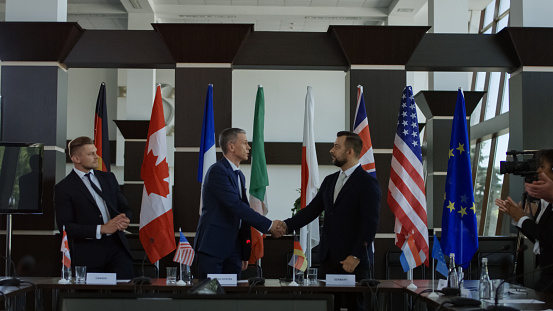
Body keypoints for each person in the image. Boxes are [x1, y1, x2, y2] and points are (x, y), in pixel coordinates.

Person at [280, 131, 381, 311]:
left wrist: (356, 255)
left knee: (353, 308)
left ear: (350, 152)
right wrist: (286, 225)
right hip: (328, 260)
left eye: (336, 146)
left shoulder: (367, 183)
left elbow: (370, 223)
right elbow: (311, 211)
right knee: (328, 306)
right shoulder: (329, 181)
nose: (331, 150)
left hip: (352, 262)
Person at [194, 128, 285, 279]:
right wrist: (269, 225)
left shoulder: (239, 176)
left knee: (232, 298)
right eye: (245, 143)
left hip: (233, 250)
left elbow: (241, 217)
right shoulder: (218, 171)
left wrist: (244, 251)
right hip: (213, 247)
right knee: (211, 297)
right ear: (231, 146)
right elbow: (236, 206)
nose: (249, 147)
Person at [55, 136, 134, 279]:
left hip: (118, 248)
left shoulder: (109, 178)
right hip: (88, 253)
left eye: (95, 152)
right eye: (91, 154)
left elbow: (125, 207)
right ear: (76, 159)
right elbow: (66, 227)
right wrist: (102, 229)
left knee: (125, 295)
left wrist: (125, 219)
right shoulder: (64, 188)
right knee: (91, 299)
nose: (96, 157)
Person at [495, 149, 553, 292]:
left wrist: (523, 219)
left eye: (542, 166)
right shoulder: (548, 205)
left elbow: (548, 238)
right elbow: (543, 240)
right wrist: (519, 218)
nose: (538, 170)